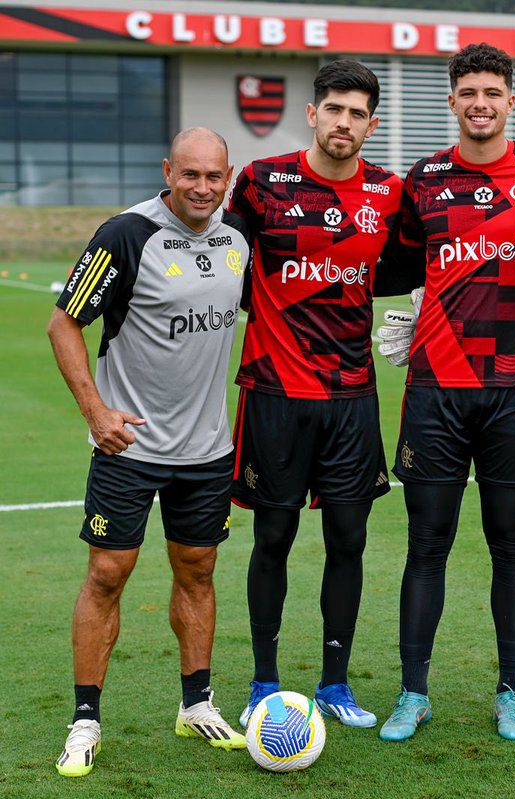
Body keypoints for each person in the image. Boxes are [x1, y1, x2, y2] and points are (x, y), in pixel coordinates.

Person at [376, 43, 515, 743]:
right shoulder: (423, 178)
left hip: (514, 389)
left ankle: (511, 693)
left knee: (511, 544)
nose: (481, 103)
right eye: (469, 92)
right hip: (436, 389)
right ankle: (412, 693)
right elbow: (396, 260)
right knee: (425, 544)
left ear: (510, 100)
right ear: (453, 101)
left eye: (493, 91)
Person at [48, 127, 250, 777]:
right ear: (169, 171)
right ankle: (85, 719)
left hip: (208, 449)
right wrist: (96, 412)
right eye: (189, 174)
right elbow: (64, 323)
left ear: (228, 175)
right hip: (129, 445)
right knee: (108, 573)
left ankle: (197, 704)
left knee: (197, 569)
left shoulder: (238, 240)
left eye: (213, 176)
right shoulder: (125, 235)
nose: (201, 187)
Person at [227, 59, 411, 730]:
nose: (344, 121)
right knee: (271, 535)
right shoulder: (260, 182)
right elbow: (226, 263)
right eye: (334, 108)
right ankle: (263, 681)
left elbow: (415, 262)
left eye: (358, 112)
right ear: (312, 113)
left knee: (349, 538)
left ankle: (336, 683)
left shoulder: (390, 193)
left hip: (351, 396)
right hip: (274, 391)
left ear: (372, 123)